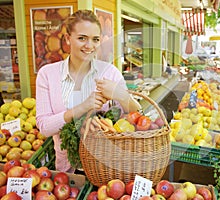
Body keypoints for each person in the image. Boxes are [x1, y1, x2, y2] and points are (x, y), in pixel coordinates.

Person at [35, 10, 141, 173]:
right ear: (68, 39)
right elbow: (44, 127)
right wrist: (82, 108)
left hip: (108, 166)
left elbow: (136, 116)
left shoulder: (110, 72)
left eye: (95, 39)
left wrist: (119, 93)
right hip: (68, 169)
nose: (89, 46)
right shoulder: (47, 75)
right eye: (82, 38)